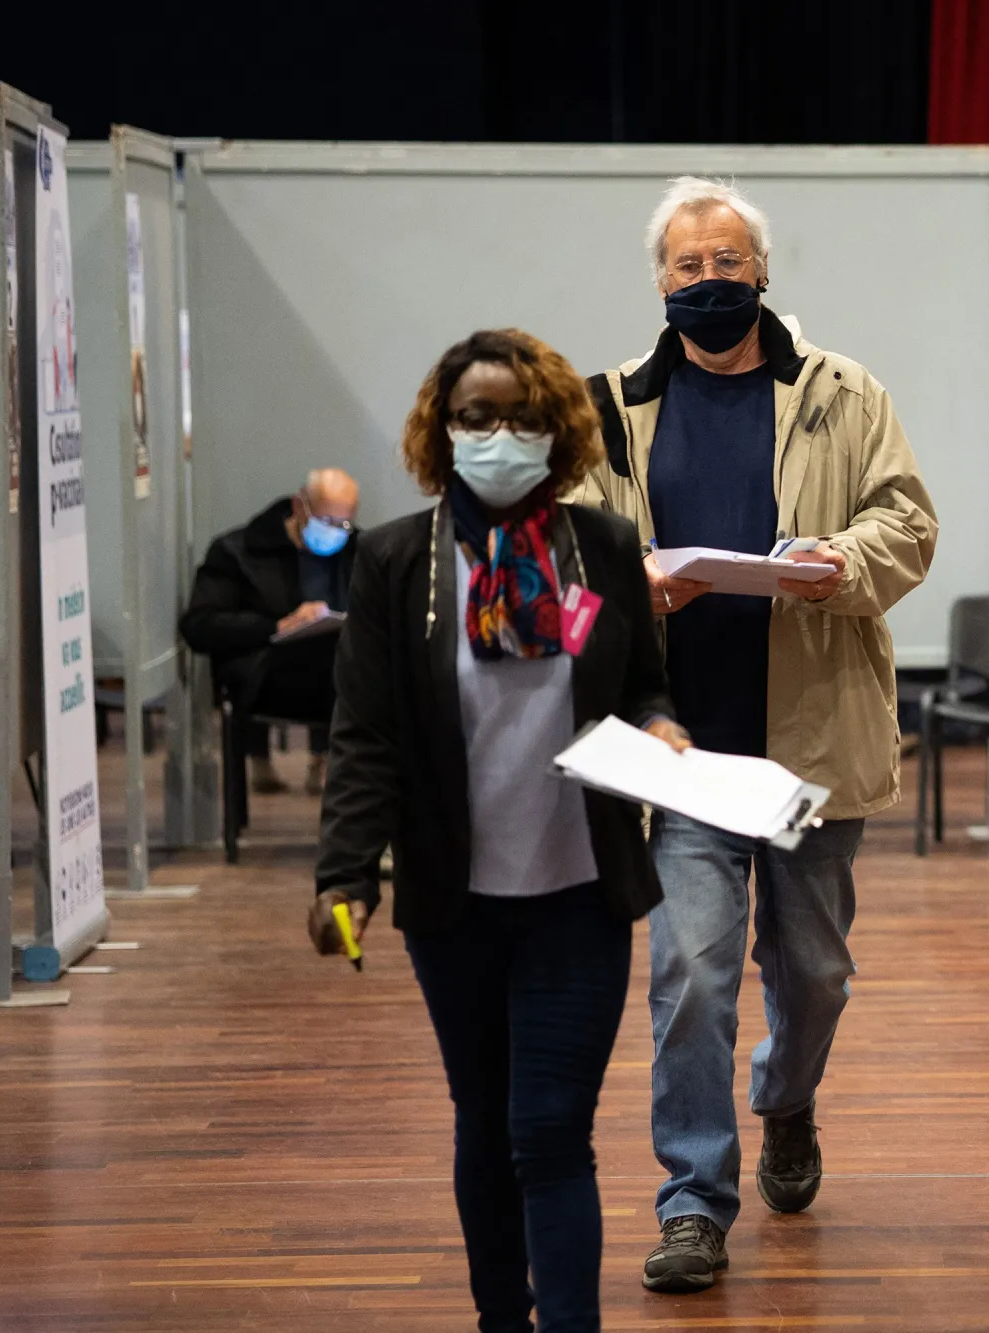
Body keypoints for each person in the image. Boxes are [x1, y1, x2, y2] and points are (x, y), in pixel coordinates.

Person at [575, 177, 938, 1294]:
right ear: (658, 278)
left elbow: (907, 521)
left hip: (812, 745)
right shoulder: (608, 407)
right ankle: (692, 1200)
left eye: (729, 261)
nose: (710, 281)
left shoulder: (841, 391)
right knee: (688, 971)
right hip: (681, 749)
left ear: (763, 271)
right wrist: (631, 586)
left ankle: (785, 1099)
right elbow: (568, 548)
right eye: (688, 265)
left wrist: (841, 563)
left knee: (814, 974)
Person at [309, 329, 685, 1333]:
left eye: (521, 415)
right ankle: (497, 1320)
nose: (499, 434)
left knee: (551, 1129)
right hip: (453, 901)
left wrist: (661, 724)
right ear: (444, 431)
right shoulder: (396, 561)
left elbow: (644, 678)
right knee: (484, 1122)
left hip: (580, 891)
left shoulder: (600, 545)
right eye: (476, 416)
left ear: (556, 431)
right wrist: (344, 873)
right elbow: (367, 737)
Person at [180, 468, 361, 795]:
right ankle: (264, 758)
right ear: (299, 506)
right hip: (266, 679)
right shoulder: (239, 551)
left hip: (340, 682)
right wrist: (277, 626)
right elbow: (199, 626)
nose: (334, 532)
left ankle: (334, 767)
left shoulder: (357, 551)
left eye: (343, 525)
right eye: (326, 521)